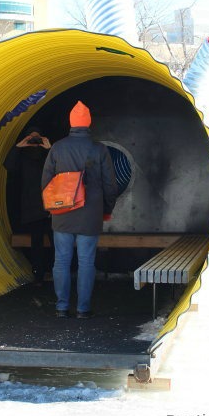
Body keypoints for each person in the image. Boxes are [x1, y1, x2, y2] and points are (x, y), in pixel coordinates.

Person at [41, 101, 118, 319]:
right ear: (88, 123)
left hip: (62, 214)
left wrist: (51, 207)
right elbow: (110, 184)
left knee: (61, 261)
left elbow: (46, 181)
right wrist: (106, 209)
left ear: (72, 123)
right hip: (90, 214)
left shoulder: (57, 148)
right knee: (86, 262)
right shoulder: (98, 149)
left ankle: (62, 307)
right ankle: (83, 309)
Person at [4, 126, 52, 285]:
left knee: (57, 242)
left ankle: (56, 271)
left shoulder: (48, 156)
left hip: (52, 206)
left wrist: (49, 149)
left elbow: (61, 167)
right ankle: (38, 274)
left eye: (37, 138)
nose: (35, 142)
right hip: (32, 207)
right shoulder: (23, 157)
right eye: (32, 138)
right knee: (36, 243)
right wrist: (19, 146)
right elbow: (9, 166)